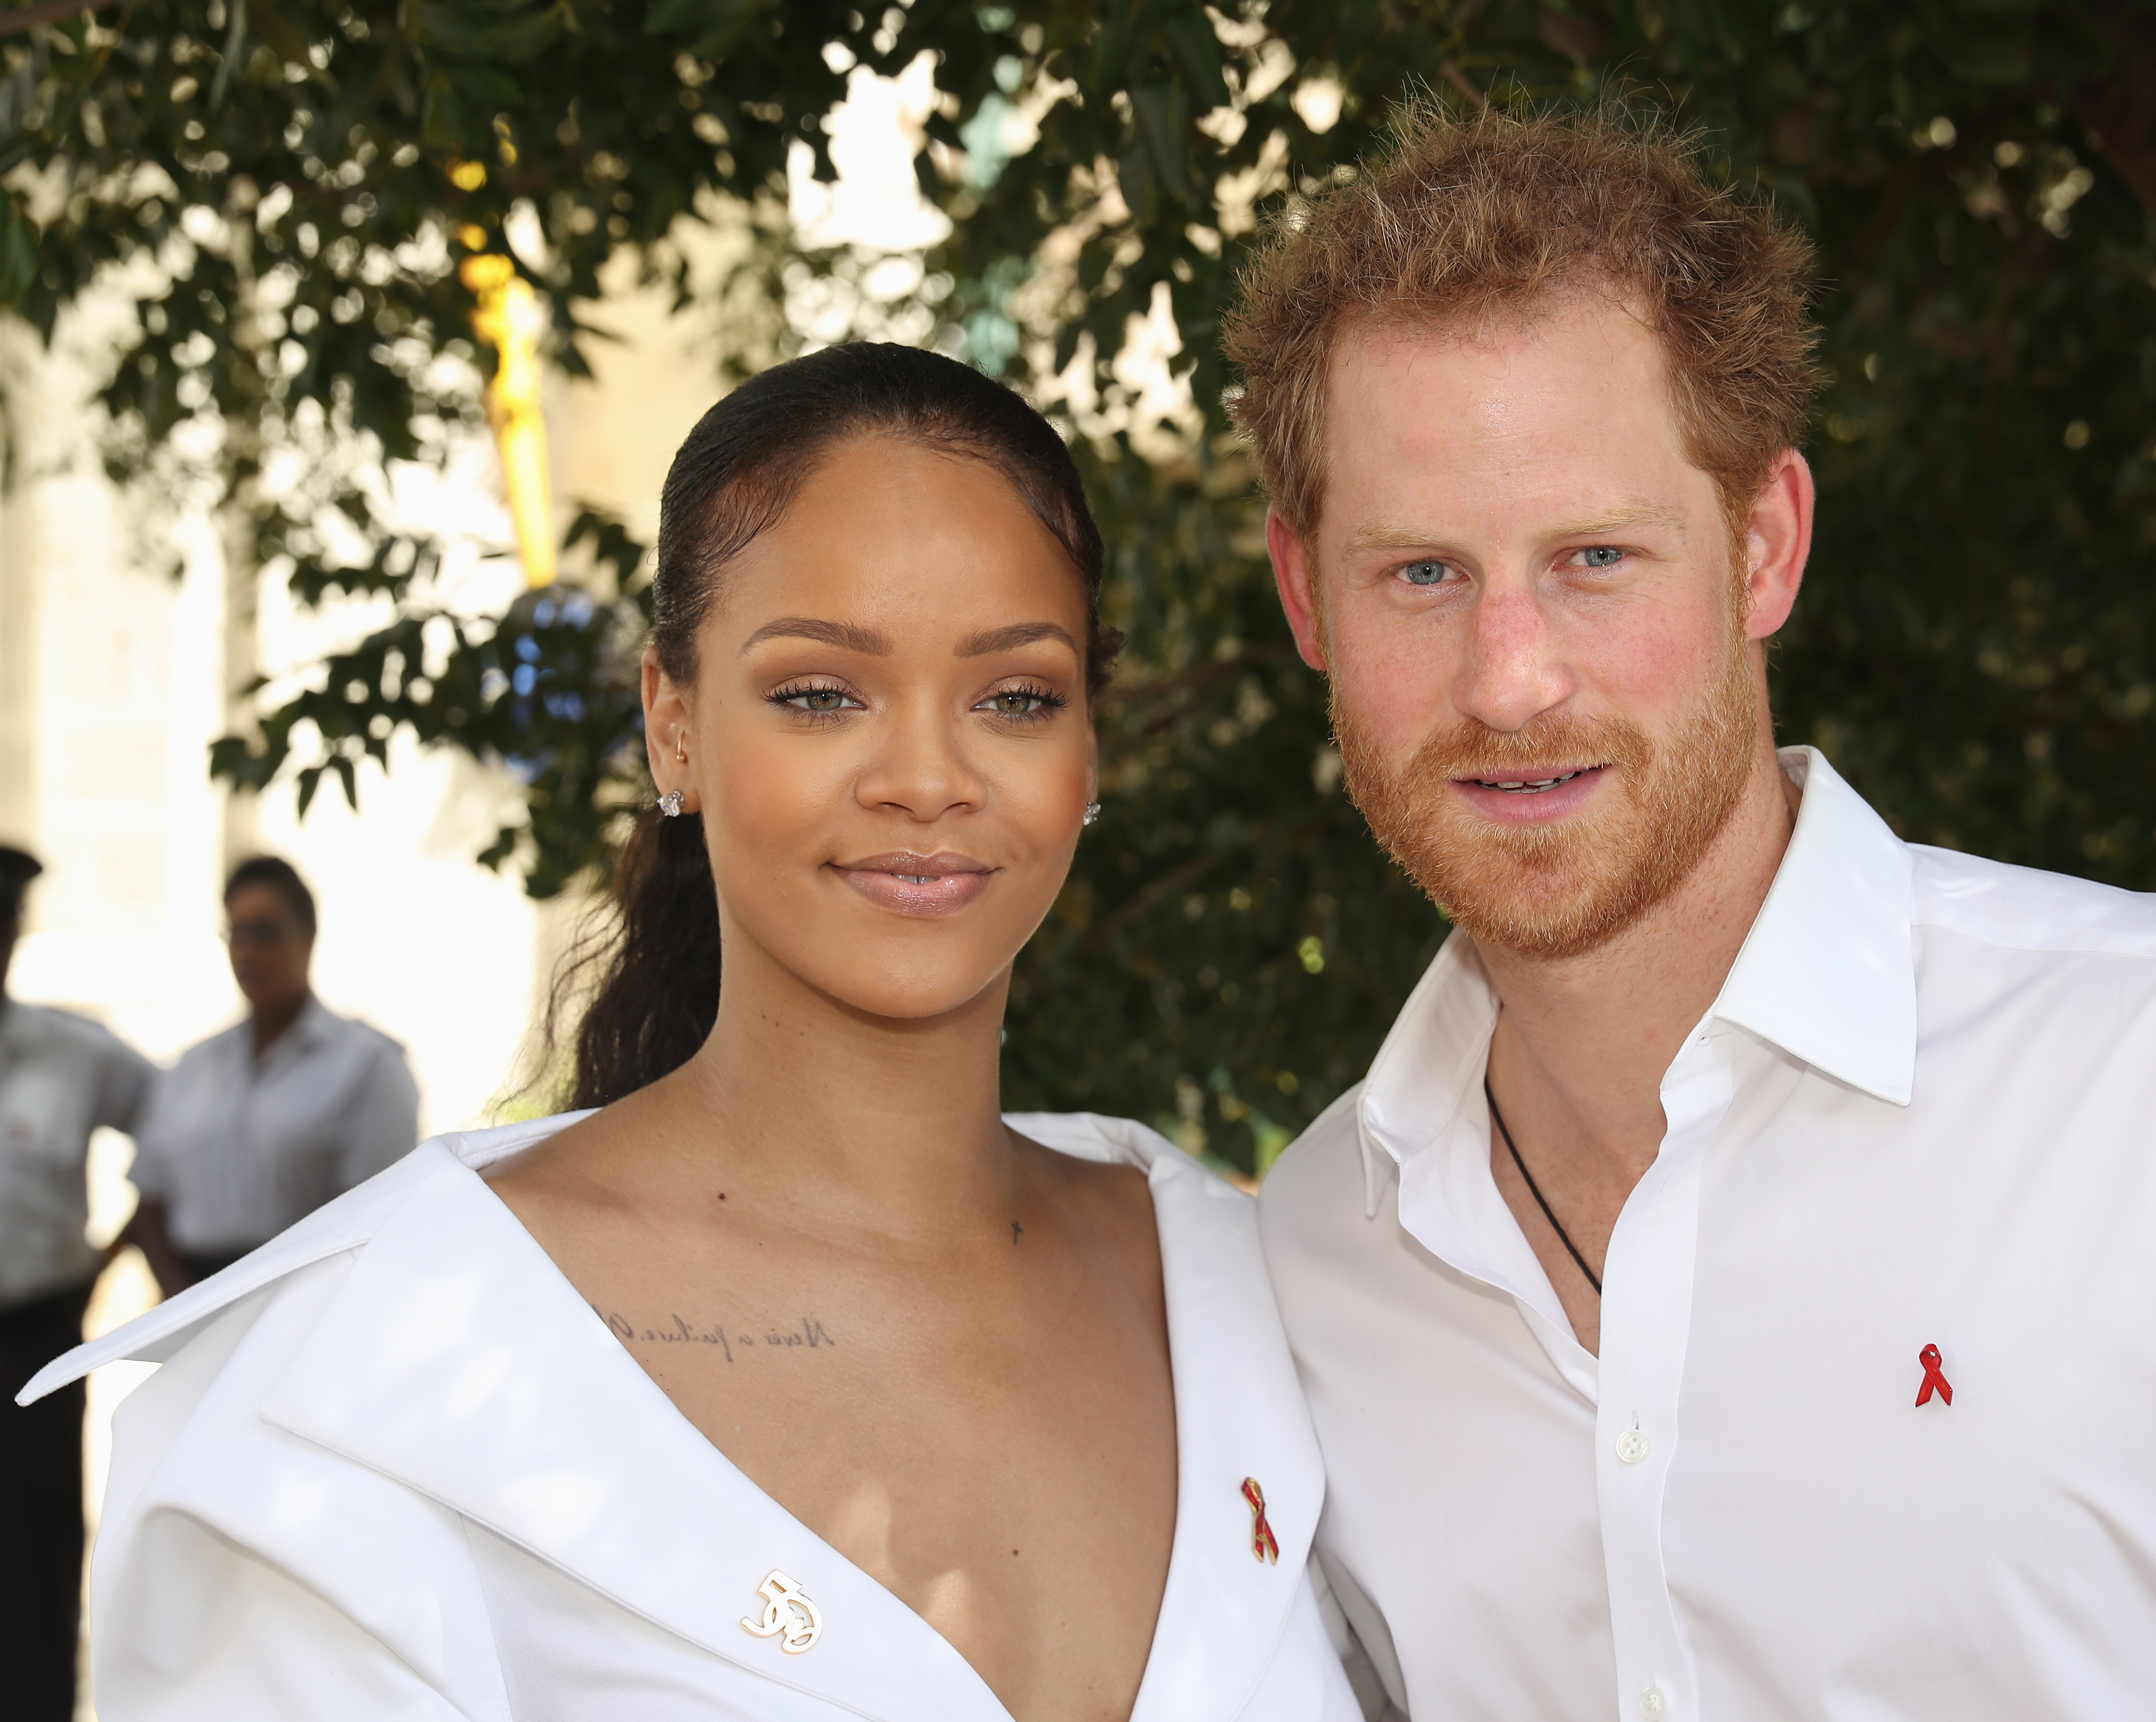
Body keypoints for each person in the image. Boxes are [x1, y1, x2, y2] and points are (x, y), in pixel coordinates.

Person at [1234, 105, 2156, 1722]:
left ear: (1765, 548)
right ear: (1307, 594)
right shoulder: (1309, 1262)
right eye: (1422, 575)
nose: (1512, 677)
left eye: (1596, 556)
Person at [22, 344, 1362, 1721]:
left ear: (1091, 747)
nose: (925, 778)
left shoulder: (1243, 1294)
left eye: (1015, 696)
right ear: (673, 725)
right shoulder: (358, 1379)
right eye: (820, 693)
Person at [0, 846, 157, 1721]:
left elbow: (179, 1138)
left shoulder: (71, 1051)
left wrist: (120, 1252)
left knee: (36, 1557)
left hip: (33, 1338)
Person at [117, 855, 418, 1290]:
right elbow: (150, 1203)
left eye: (264, 933)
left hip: (306, 1298)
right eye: (234, 934)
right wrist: (183, 1300)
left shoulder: (366, 1066)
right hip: (192, 1295)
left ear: (309, 936)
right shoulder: (193, 1067)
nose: (246, 953)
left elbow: (375, 1217)